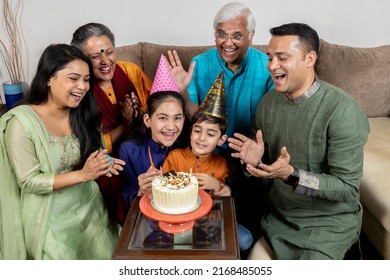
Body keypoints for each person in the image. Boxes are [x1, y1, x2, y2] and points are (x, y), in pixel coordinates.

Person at [227, 22, 370, 259]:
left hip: (329, 225)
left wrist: (292, 175)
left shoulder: (343, 111)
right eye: (270, 57)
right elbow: (261, 164)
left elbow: (346, 189)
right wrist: (252, 162)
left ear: (309, 59)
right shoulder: (268, 103)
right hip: (279, 219)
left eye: (282, 57)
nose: (272, 66)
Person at [0, 44, 124, 260]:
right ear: (48, 78)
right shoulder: (21, 123)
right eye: (73, 78)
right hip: (48, 215)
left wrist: (103, 163)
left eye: (86, 80)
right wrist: (83, 175)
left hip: (89, 204)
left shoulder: (83, 112)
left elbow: (95, 152)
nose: (82, 87)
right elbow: (28, 181)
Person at [167, 2, 274, 235]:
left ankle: (244, 236)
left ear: (251, 36)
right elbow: (192, 116)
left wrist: (254, 155)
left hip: (246, 156)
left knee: (260, 179)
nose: (228, 43)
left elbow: (273, 119)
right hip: (207, 153)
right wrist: (182, 91)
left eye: (237, 36)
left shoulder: (267, 67)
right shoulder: (199, 63)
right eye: (221, 35)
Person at [161, 72, 253, 252]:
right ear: (190, 131)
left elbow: (225, 196)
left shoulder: (221, 164)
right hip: (179, 218)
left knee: (245, 240)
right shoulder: (175, 157)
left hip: (210, 220)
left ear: (221, 139)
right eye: (197, 131)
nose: (202, 138)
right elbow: (164, 187)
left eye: (211, 134)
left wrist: (216, 185)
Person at [71, 22, 152, 224]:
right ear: (82, 60)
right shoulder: (80, 89)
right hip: (105, 156)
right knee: (113, 179)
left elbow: (157, 112)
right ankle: (130, 230)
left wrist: (140, 112)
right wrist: (125, 124)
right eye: (96, 56)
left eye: (109, 52)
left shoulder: (131, 71)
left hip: (142, 145)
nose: (105, 61)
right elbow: (87, 144)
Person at [119, 55, 186, 208]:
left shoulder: (188, 146)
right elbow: (128, 201)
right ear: (148, 120)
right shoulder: (128, 150)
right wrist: (141, 191)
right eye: (163, 118)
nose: (171, 127)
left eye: (177, 118)